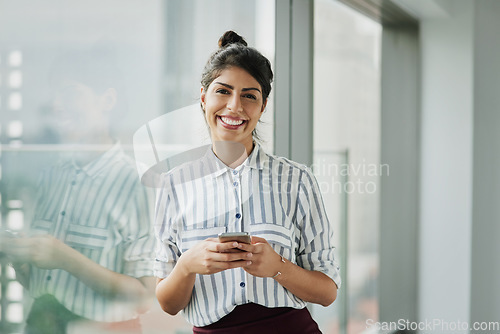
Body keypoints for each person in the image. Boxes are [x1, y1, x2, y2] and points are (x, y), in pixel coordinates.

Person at [154, 31, 341, 333]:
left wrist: (278, 267)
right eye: (223, 91)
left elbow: (328, 292)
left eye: (249, 96)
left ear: (263, 106)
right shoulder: (174, 185)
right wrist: (187, 264)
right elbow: (168, 303)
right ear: (203, 97)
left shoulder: (297, 180)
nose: (234, 106)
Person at [0, 49, 156, 334]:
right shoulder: (51, 175)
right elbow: (38, 284)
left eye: (70, 93)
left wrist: (66, 258)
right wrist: (19, 257)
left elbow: (144, 295)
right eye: (55, 95)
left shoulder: (137, 182)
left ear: (107, 100)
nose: (57, 105)